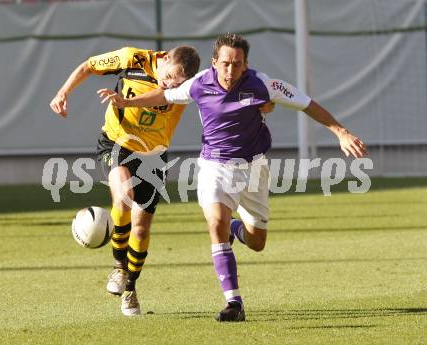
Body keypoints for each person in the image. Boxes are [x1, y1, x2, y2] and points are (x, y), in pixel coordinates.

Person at [97, 33, 368, 322]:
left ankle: (236, 228)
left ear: (245, 64)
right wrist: (127, 103)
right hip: (214, 166)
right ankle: (233, 303)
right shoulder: (200, 83)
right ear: (215, 62)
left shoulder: (262, 84)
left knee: (257, 242)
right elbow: (164, 94)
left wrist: (341, 132)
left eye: (236, 64)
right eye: (225, 63)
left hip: (253, 169)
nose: (230, 70)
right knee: (215, 222)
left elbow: (306, 103)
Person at [50, 45, 201, 316]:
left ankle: (130, 287)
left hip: (154, 154)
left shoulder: (190, 86)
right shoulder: (132, 58)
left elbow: (164, 94)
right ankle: (119, 267)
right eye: (169, 77)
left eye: (177, 84)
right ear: (164, 58)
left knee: (141, 230)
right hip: (117, 142)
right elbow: (89, 65)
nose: (170, 85)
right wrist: (63, 93)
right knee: (123, 195)